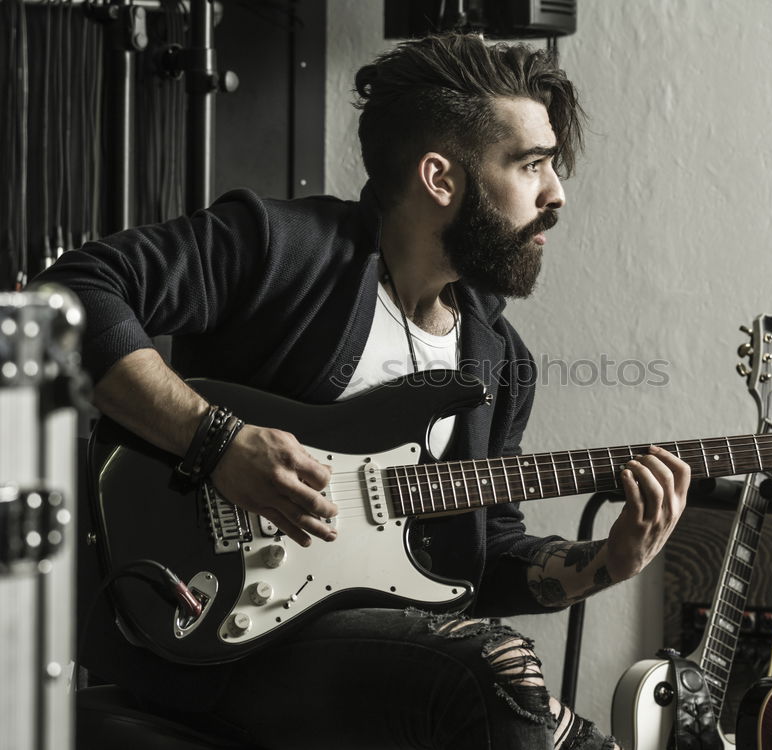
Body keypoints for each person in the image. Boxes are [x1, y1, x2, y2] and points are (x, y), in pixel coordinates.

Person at [39, 33, 689, 750]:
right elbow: (71, 296)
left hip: (354, 650)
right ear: (441, 178)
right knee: (495, 669)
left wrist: (606, 563)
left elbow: (487, 549)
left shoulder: (500, 358)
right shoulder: (280, 246)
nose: (556, 193)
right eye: (530, 164)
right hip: (203, 626)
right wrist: (217, 440)